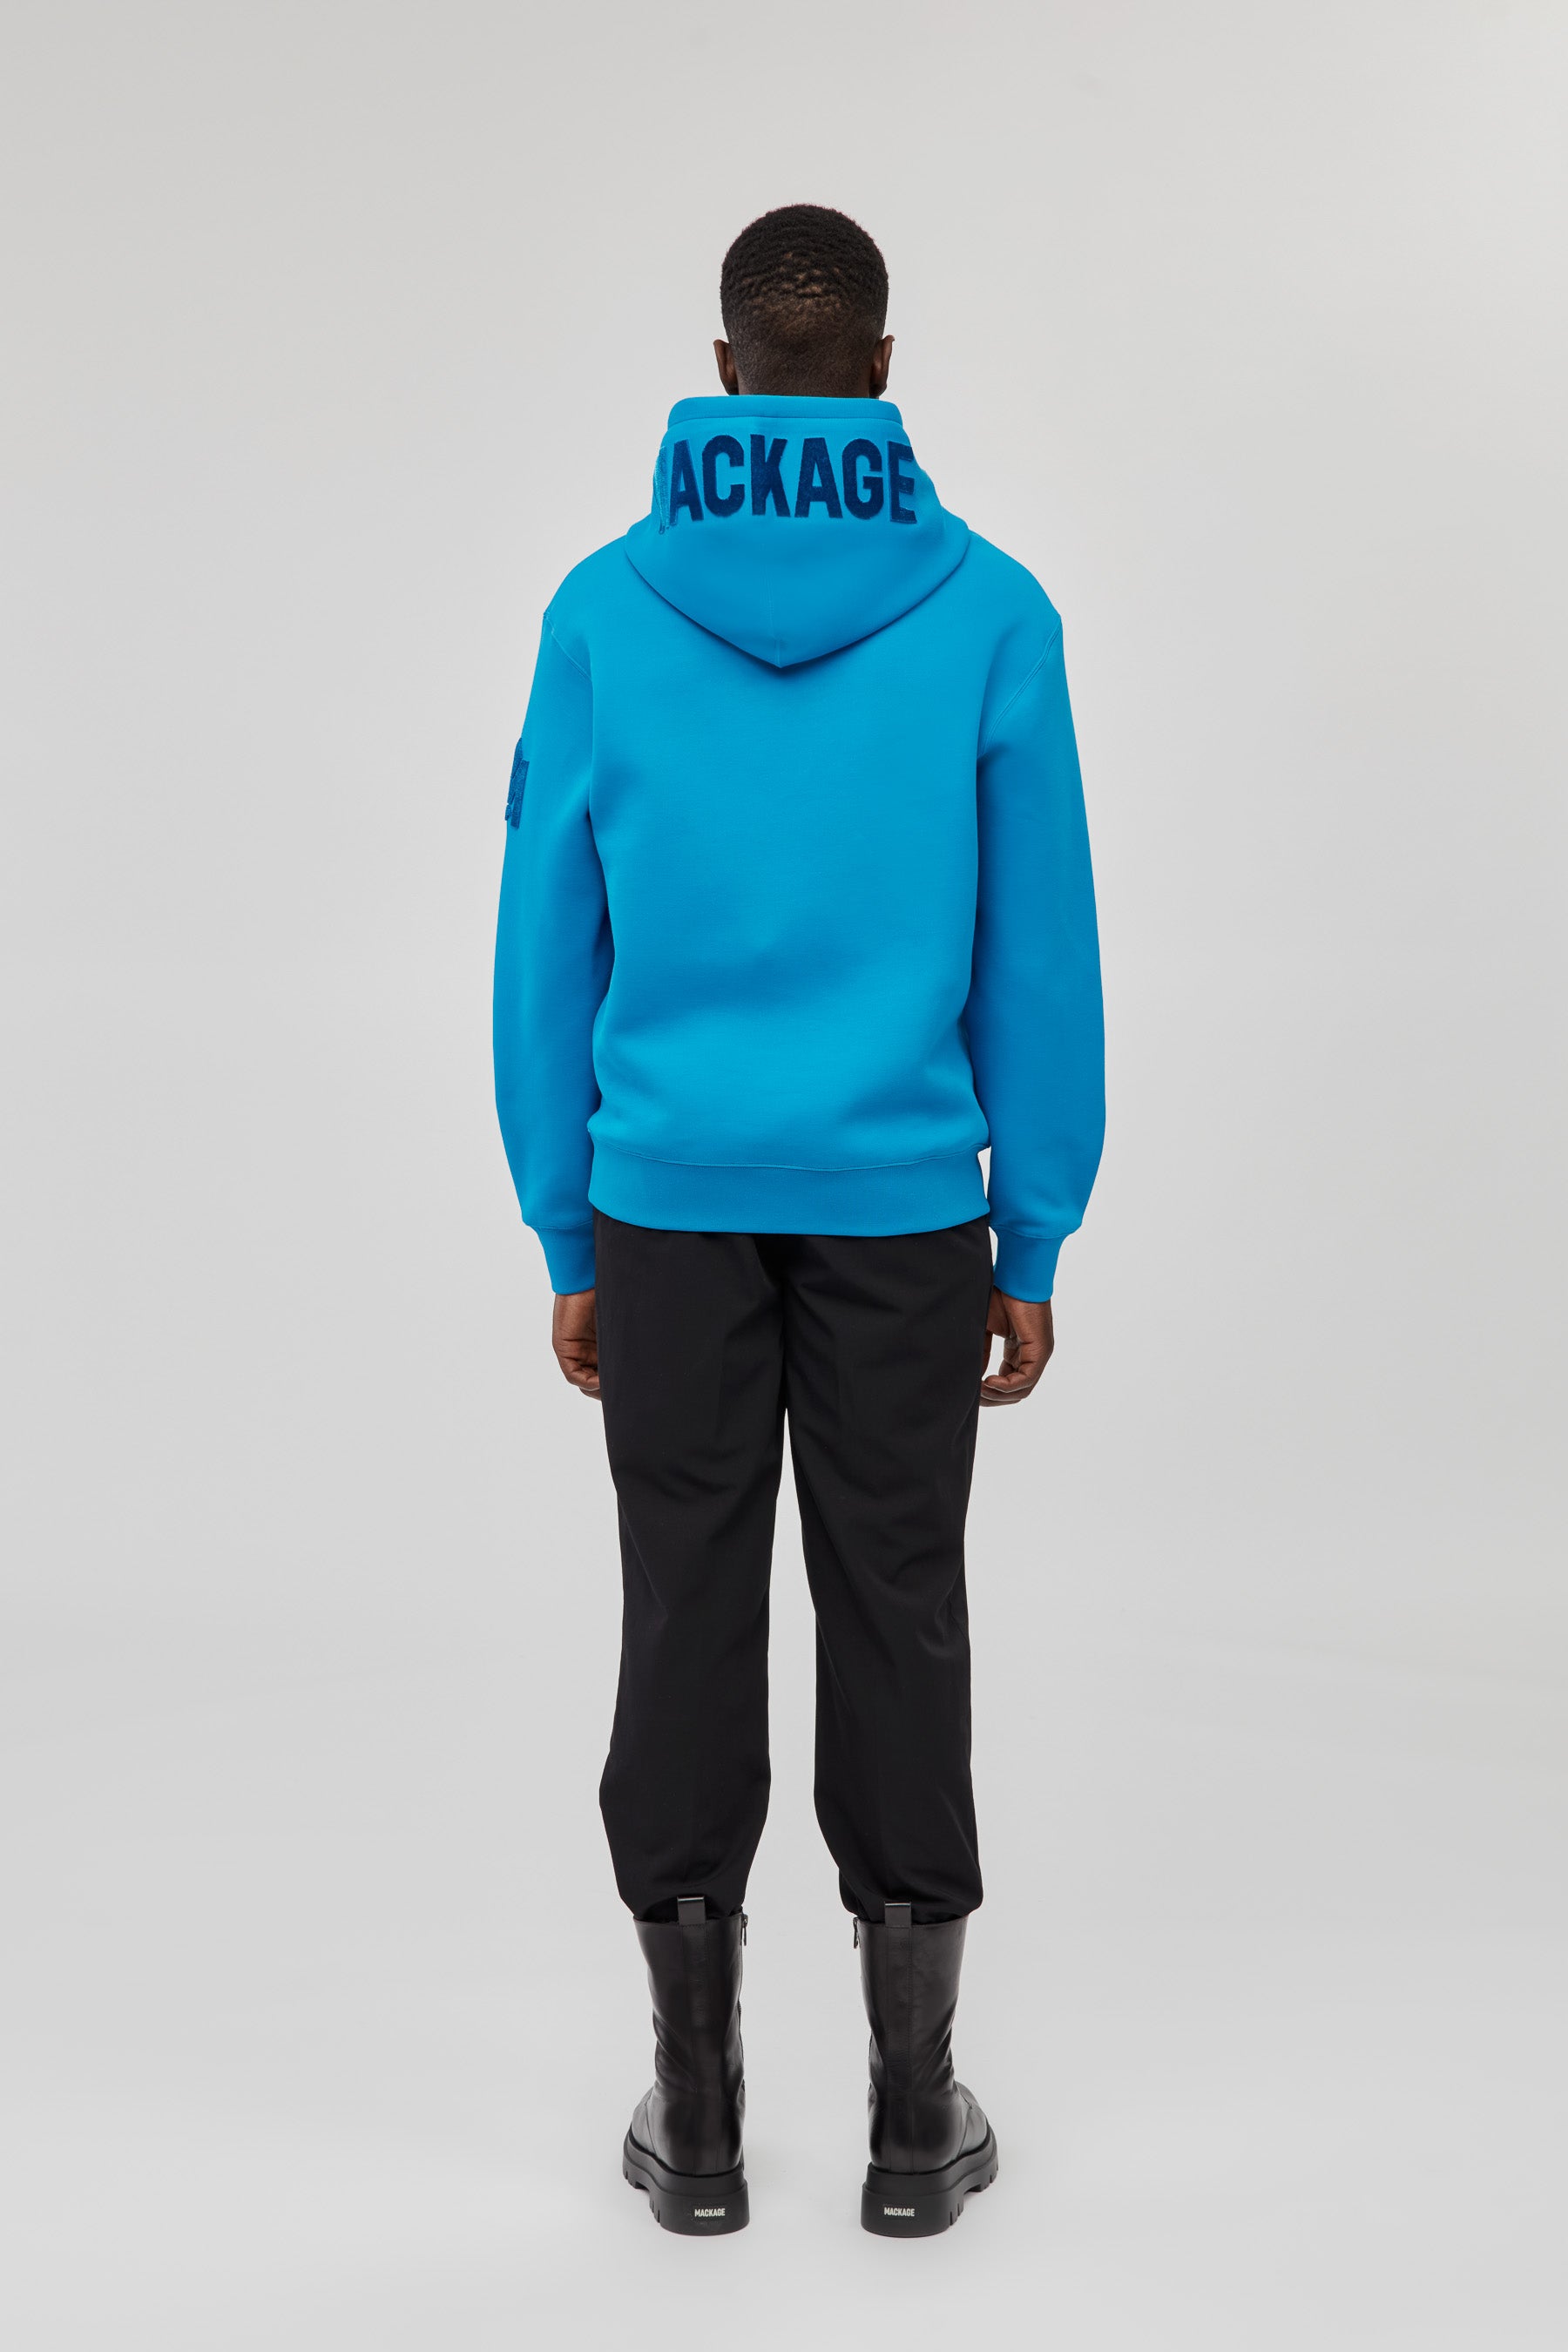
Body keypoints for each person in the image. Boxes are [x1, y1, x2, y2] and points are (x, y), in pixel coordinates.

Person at [493, 203, 1104, 2239]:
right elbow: (1040, 949)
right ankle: (915, 2122)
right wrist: (1031, 1232)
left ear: (725, 370)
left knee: (684, 1604)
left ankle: (700, 2117)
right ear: (882, 369)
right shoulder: (991, 610)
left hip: (667, 1206)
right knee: (899, 1603)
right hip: (906, 1209)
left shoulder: (604, 609)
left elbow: (543, 942)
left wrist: (569, 1230)